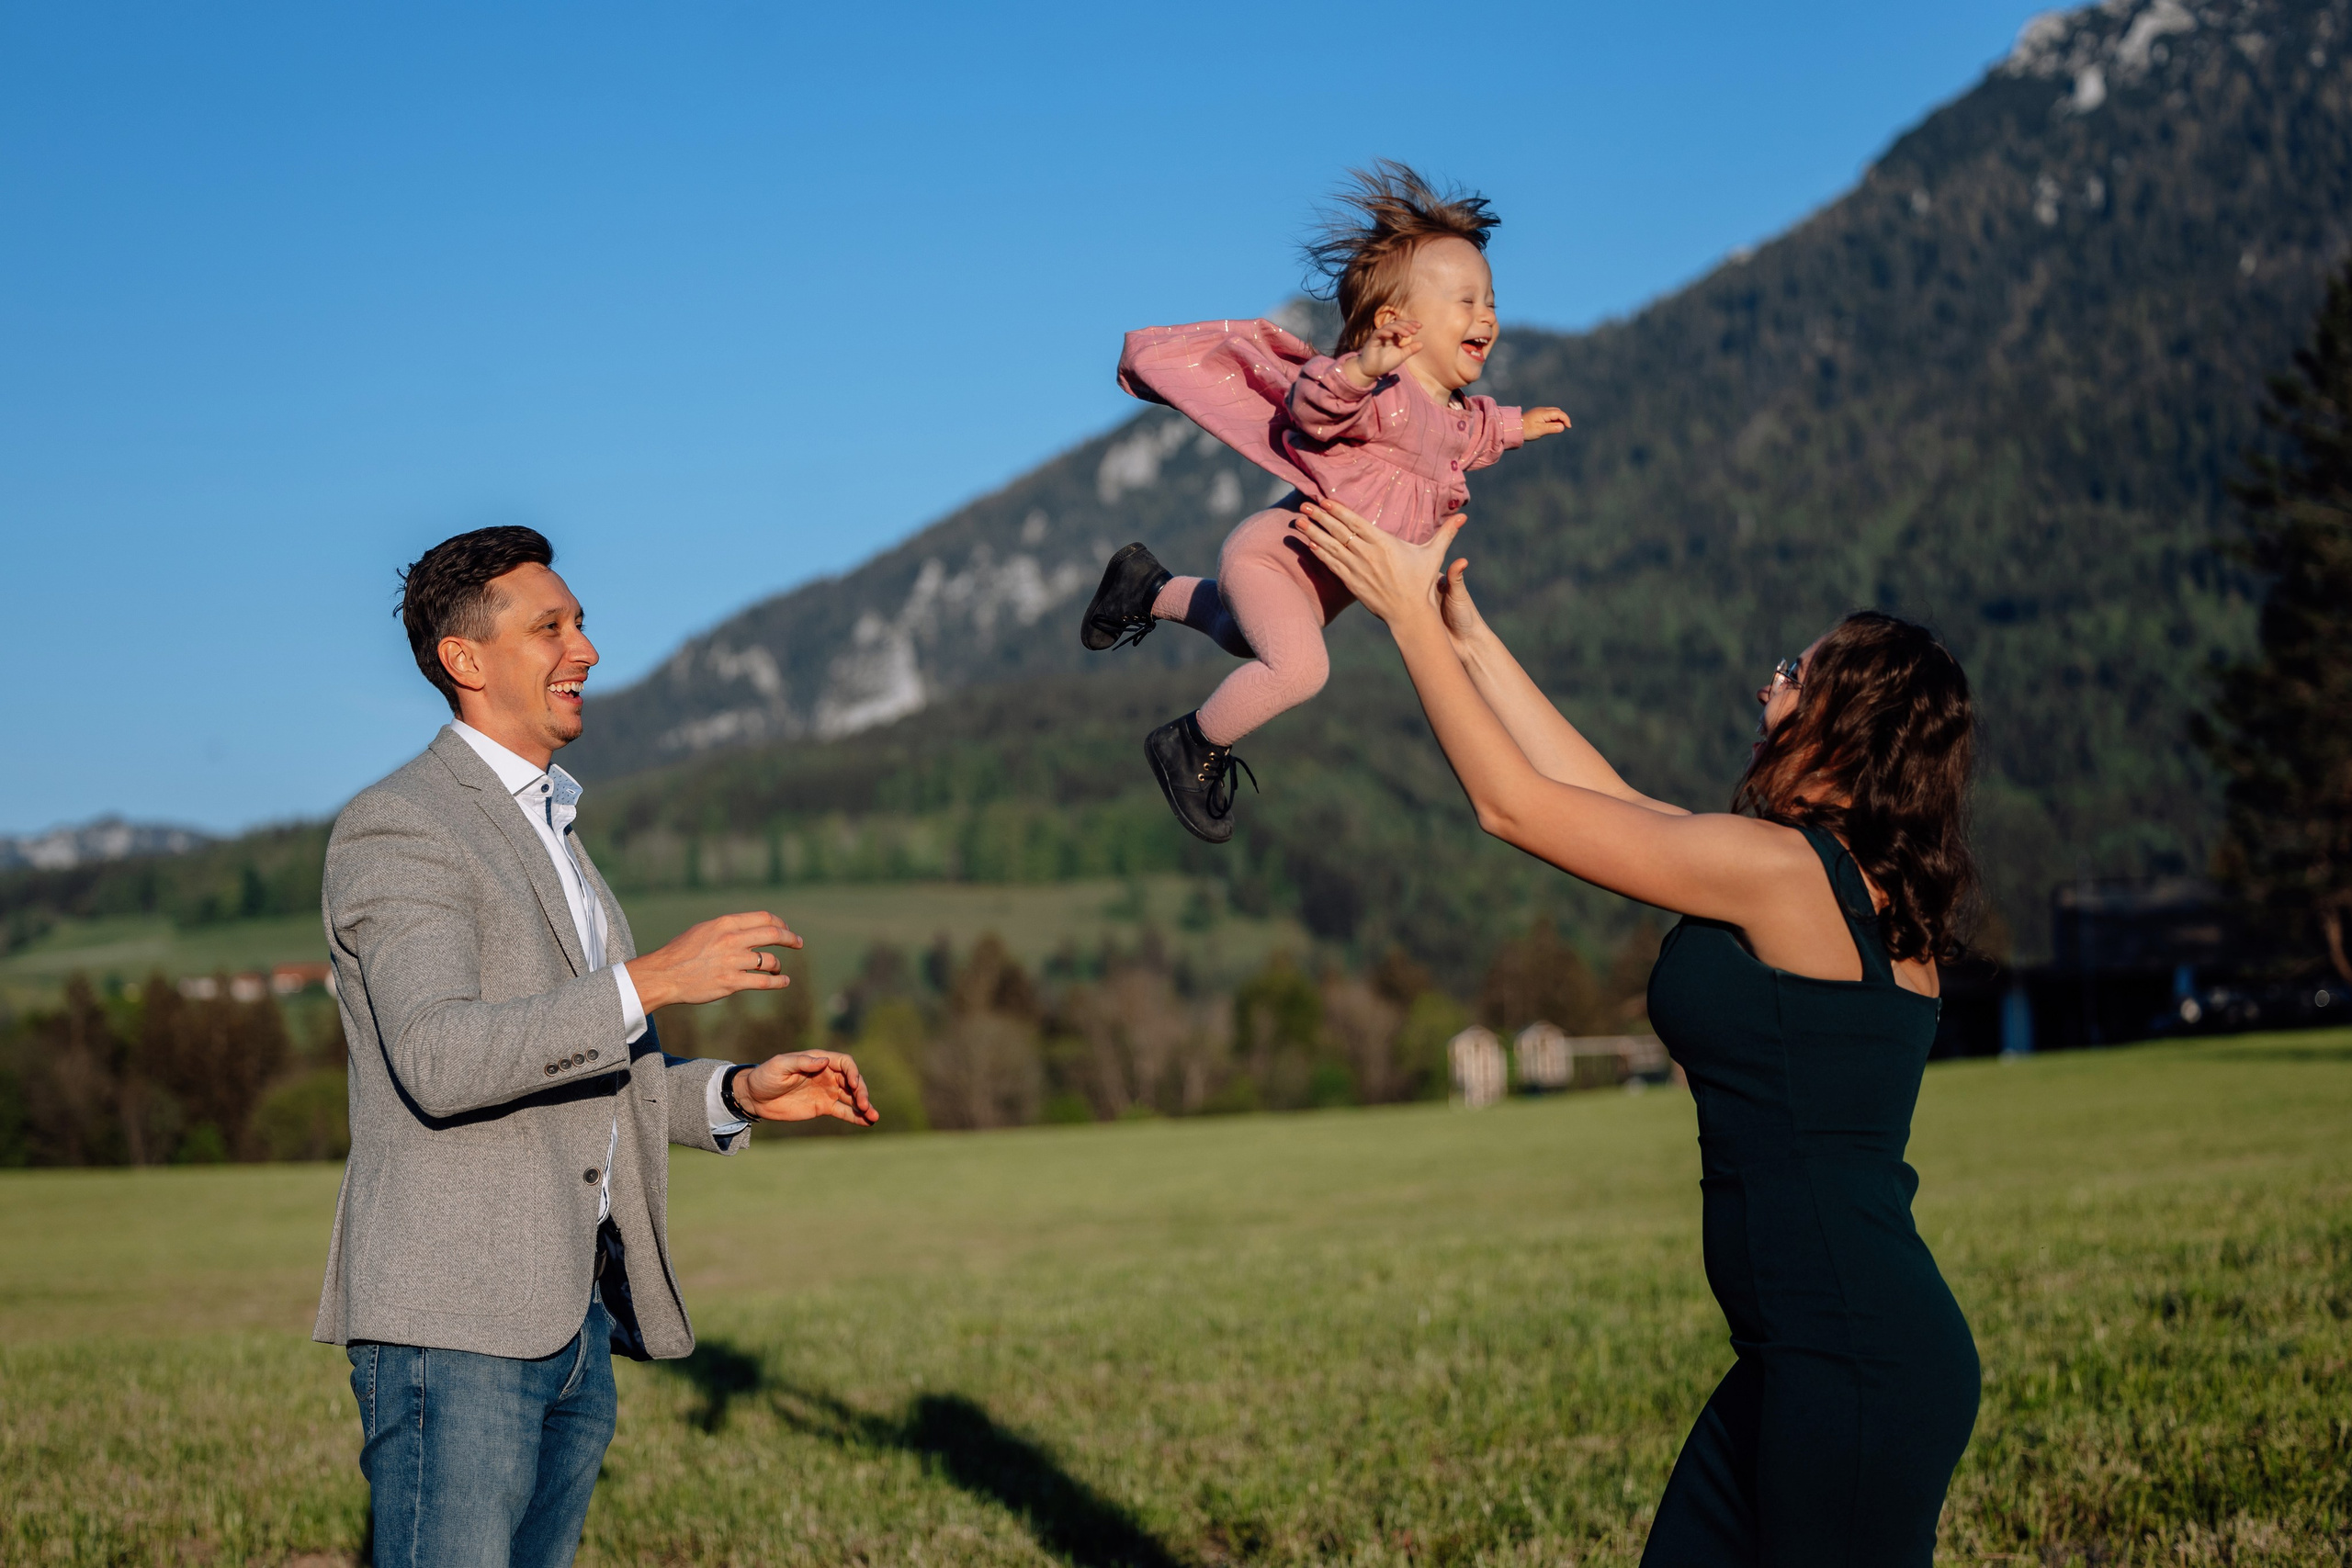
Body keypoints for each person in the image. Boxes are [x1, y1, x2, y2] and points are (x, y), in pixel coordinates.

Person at [1293, 497, 1981, 1567]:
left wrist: (1406, 619)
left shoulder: (1784, 874)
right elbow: (1604, 797)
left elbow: (1515, 808)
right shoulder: (1837, 885)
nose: (1767, 687)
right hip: (1814, 1356)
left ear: (1847, 724)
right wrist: (1469, 638)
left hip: (1850, 1366)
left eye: (1793, 674)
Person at [314, 525, 879, 1568]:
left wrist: (738, 1093)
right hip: (456, 1325)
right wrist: (651, 979)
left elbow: (581, 1074)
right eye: (551, 627)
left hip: (575, 1323)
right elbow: (439, 1058)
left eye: (580, 622)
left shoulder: (555, 831)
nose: (587, 649)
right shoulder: (400, 826)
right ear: (465, 659)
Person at [1079, 161, 1572, 843]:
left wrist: (1522, 426)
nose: (1486, 316)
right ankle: (1189, 743)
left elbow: (1478, 432)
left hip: (1313, 591)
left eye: (1490, 301)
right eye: (1466, 301)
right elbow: (1314, 405)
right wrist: (1363, 367)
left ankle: (1147, 587)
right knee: (1300, 669)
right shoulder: (1377, 396)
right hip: (1272, 558)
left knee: (1235, 633)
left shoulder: (1452, 417)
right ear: (1397, 324)